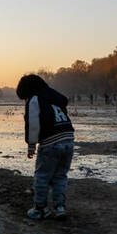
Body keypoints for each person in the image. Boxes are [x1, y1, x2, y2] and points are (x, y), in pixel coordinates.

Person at [16, 74, 75, 220]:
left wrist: (31, 144)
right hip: (68, 139)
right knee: (60, 176)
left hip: (51, 143)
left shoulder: (35, 99)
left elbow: (33, 123)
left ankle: (40, 208)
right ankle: (60, 207)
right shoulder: (54, 96)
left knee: (42, 176)